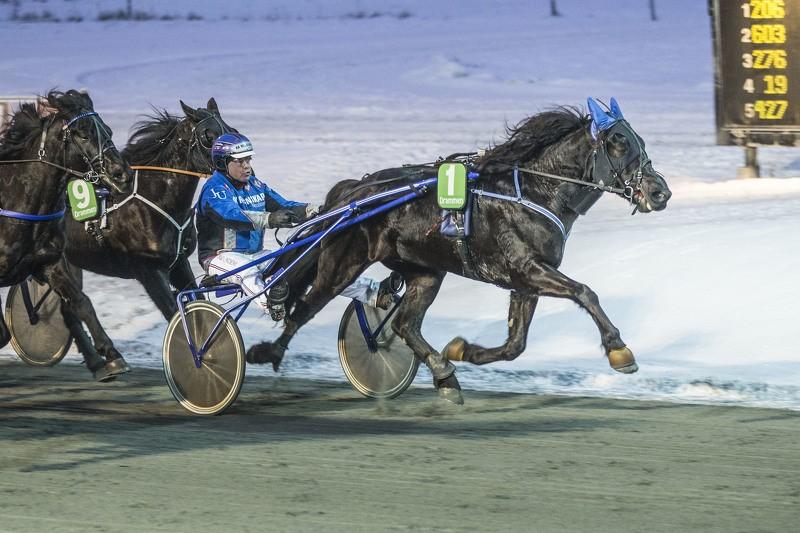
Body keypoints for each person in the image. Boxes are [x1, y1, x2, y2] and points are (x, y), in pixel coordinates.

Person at [195, 133, 394, 319]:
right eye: (240, 161)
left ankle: (374, 293)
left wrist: (319, 210)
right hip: (219, 257)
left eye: (248, 160)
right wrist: (270, 219)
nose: (247, 166)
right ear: (223, 163)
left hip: (255, 255)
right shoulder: (214, 189)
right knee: (249, 273)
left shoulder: (255, 184)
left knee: (308, 265)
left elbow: (285, 206)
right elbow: (231, 216)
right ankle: (273, 305)